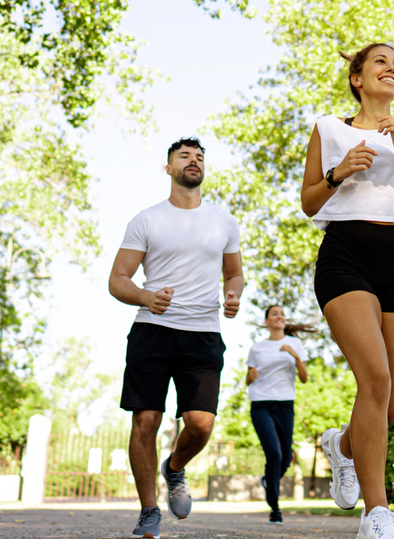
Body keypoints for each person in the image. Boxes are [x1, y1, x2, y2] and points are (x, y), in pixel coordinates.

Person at [299, 43, 394, 539]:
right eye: (380, 61)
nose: (392, 69)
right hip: (347, 254)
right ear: (357, 78)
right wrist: (339, 173)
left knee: (390, 403)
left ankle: (342, 445)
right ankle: (375, 515)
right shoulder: (328, 127)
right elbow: (308, 201)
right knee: (375, 378)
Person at [109, 137, 243, 539]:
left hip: (203, 333)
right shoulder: (147, 219)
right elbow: (117, 280)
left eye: (199, 157)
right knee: (146, 419)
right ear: (169, 168)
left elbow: (233, 273)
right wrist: (147, 296)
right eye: (184, 156)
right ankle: (149, 510)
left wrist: (234, 293)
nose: (193, 161)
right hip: (153, 330)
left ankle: (175, 467)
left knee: (201, 425)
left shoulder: (223, 221)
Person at [245, 305, 310, 525]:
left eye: (282, 314)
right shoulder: (257, 348)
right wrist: (249, 377)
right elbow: (248, 378)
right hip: (261, 404)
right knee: (273, 453)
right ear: (266, 321)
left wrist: (295, 356)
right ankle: (275, 507)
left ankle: (267, 480)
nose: (280, 316)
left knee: (285, 459)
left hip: (285, 405)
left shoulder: (296, 344)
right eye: (274, 314)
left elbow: (304, 378)